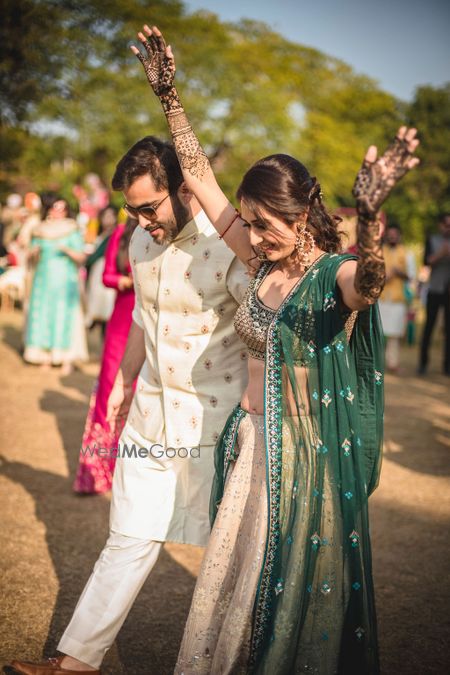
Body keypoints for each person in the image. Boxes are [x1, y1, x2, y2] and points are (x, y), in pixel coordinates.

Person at [128, 25, 420, 674]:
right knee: (237, 584)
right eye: (248, 223)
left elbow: (368, 287)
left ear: (301, 213)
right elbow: (200, 180)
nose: (253, 237)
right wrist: (170, 97)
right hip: (249, 449)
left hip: (302, 464)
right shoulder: (260, 265)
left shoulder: (331, 274)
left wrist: (371, 219)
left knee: (284, 594)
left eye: (265, 225)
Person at [9, 137, 249, 674]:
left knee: (231, 557)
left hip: (217, 425)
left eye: (149, 208)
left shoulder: (229, 242)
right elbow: (143, 317)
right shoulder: (141, 243)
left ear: (185, 190)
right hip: (149, 414)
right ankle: (75, 663)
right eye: (132, 210)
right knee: (128, 538)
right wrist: (121, 385)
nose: (141, 222)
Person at [73, 214, 138, 494]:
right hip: (123, 318)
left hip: (156, 320)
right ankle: (99, 471)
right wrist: (126, 281)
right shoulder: (121, 233)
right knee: (111, 386)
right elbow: (106, 275)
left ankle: (133, 470)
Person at [23, 197, 88, 375]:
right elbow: (29, 257)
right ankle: (45, 356)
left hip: (64, 281)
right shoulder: (40, 230)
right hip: (43, 281)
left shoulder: (72, 230)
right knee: (43, 315)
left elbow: (82, 257)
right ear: (49, 210)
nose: (58, 212)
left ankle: (66, 357)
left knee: (63, 317)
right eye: (55, 208)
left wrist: (67, 251)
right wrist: (33, 253)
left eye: (62, 209)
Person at [418, 213, 450, 375]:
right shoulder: (432, 240)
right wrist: (441, 254)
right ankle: (423, 363)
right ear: (441, 225)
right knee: (429, 327)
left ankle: (447, 366)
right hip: (435, 289)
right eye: (446, 225)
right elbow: (426, 262)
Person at [378, 224, 409, 372]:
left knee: (394, 334)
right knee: (378, 332)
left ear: (399, 236)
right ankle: (377, 363)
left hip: (397, 299)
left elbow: (411, 277)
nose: (392, 237)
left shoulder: (406, 253)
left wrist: (399, 273)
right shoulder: (379, 251)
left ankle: (393, 364)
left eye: (395, 235)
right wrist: (385, 278)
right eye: (390, 234)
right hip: (380, 296)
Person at [84, 205, 118, 335]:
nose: (107, 219)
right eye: (105, 216)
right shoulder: (101, 234)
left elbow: (98, 255)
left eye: (110, 216)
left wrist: (88, 259)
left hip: (106, 272)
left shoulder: (114, 235)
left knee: (106, 308)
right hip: (96, 274)